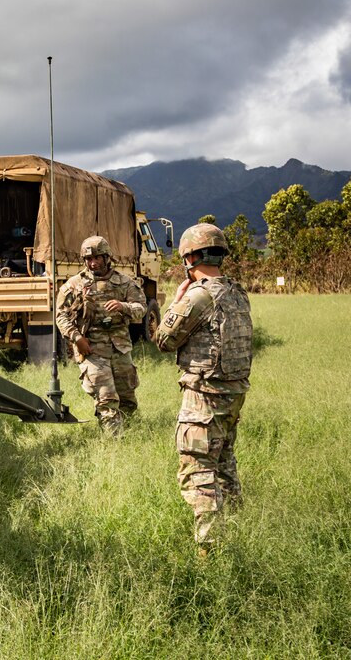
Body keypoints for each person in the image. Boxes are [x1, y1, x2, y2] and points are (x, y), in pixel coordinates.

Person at [155, 224, 252, 551]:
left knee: (199, 476)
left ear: (190, 257)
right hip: (233, 396)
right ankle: (239, 529)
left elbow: (164, 341)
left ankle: (209, 552)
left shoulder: (198, 296)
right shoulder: (238, 292)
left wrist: (175, 302)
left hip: (204, 399)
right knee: (224, 464)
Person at [55, 236, 146, 436]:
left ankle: (131, 436)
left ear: (107, 257)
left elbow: (141, 308)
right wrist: (77, 338)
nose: (93, 263)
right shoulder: (74, 285)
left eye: (97, 258)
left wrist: (124, 306)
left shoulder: (124, 283)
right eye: (88, 259)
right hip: (92, 349)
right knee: (107, 399)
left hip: (120, 348)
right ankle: (114, 444)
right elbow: (60, 316)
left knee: (127, 399)